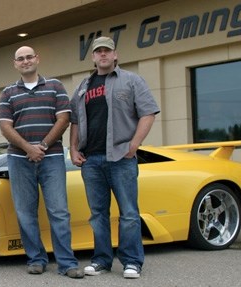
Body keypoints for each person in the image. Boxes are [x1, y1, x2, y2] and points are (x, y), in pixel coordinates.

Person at [69, 36, 160, 279]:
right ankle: (101, 260)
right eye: (98, 51)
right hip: (92, 161)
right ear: (93, 57)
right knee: (98, 214)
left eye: (107, 51)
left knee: (129, 212)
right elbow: (75, 121)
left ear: (115, 54)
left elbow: (148, 112)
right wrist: (73, 148)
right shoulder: (83, 87)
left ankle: (132, 262)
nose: (102, 55)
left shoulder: (131, 81)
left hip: (121, 158)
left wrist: (134, 144)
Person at [0, 46, 84, 279]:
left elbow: (64, 119)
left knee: (59, 211)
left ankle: (67, 262)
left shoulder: (55, 86)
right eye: (20, 59)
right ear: (15, 64)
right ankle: (36, 259)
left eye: (29, 57)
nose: (25, 61)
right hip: (18, 159)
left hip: (52, 157)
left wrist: (42, 146)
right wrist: (28, 148)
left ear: (37, 58)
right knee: (25, 212)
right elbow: (5, 126)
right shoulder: (8, 93)